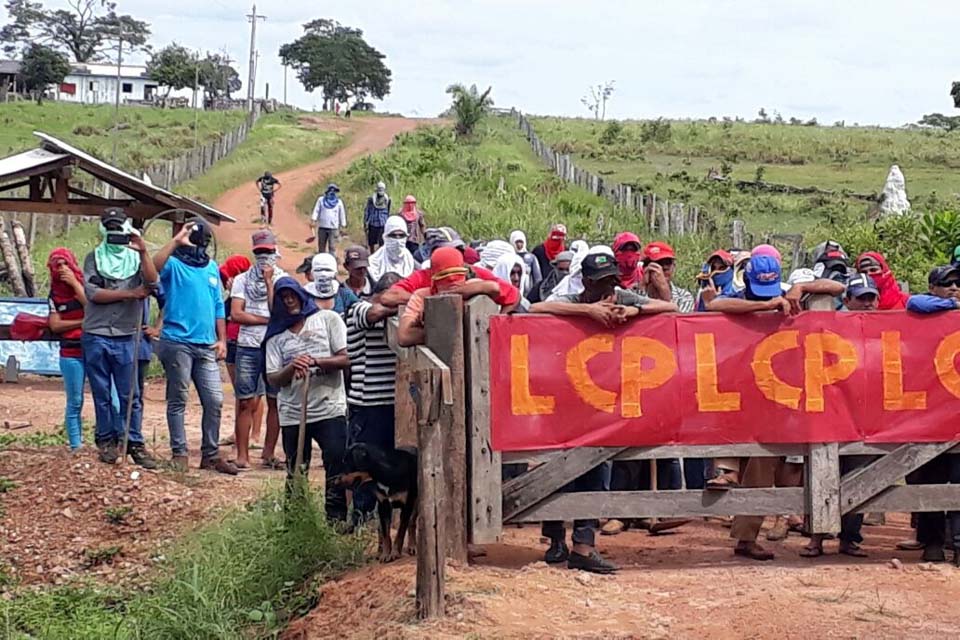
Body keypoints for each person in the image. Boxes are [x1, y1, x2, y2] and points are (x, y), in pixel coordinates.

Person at [529, 252, 677, 573]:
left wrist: (634, 310)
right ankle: (555, 538)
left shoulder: (623, 296)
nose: (606, 292)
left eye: (610, 283)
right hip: (565, 396)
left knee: (599, 467)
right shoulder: (572, 298)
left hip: (605, 399)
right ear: (585, 284)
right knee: (558, 468)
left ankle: (584, 544)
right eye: (599, 285)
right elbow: (535, 308)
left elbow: (671, 307)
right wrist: (586, 311)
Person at [706, 252, 843, 560]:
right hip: (737, 391)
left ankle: (746, 536)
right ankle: (725, 475)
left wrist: (801, 288)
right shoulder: (739, 295)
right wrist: (765, 305)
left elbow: (837, 289)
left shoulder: (787, 292)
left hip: (778, 394)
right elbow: (715, 305)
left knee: (763, 466)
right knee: (731, 450)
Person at [801, 274, 881, 558]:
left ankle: (850, 538)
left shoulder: (885, 329)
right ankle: (817, 538)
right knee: (820, 472)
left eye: (872, 298)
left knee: (860, 473)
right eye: (862, 298)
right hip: (827, 409)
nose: (867, 304)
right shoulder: (827, 324)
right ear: (846, 300)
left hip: (866, 414)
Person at [264, 277, 349, 523]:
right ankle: (296, 521)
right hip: (293, 412)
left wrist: (316, 362)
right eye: (283, 297)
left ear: (301, 295)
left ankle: (336, 519)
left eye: (292, 295)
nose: (289, 300)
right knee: (296, 467)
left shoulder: (328, 319)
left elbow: (346, 359)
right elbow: (273, 378)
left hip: (329, 408)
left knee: (335, 462)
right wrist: (291, 368)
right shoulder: (276, 337)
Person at [153, 221, 233, 475]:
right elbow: (153, 270)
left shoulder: (210, 267)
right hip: (177, 341)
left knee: (215, 400)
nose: (197, 248)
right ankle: (180, 452)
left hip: (206, 344)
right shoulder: (173, 265)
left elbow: (218, 305)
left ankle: (210, 453)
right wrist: (176, 241)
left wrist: (222, 339)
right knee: (178, 399)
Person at [81, 209, 159, 468]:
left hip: (128, 335)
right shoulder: (94, 258)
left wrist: (143, 251)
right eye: (110, 229)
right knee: (102, 392)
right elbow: (93, 293)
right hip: (97, 333)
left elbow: (152, 282)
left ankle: (134, 442)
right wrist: (130, 294)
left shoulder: (135, 259)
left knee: (131, 395)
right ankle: (106, 440)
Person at [904, 265, 960, 563]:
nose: (953, 287)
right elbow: (914, 303)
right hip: (932, 411)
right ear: (933, 287)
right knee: (932, 477)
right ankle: (932, 542)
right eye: (946, 283)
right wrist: (954, 305)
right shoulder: (928, 308)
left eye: (957, 284)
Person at [345, 272, 402, 527]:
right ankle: (361, 521)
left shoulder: (397, 315)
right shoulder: (359, 307)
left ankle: (385, 521)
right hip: (367, 404)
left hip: (393, 403)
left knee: (389, 465)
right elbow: (373, 316)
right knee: (366, 464)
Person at [231, 230, 286, 471]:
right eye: (260, 252)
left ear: (275, 252)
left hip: (274, 347)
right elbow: (236, 313)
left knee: (275, 400)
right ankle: (243, 454)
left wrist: (269, 282)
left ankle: (268, 452)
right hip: (248, 346)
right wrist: (266, 321)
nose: (264, 256)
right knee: (245, 400)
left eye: (268, 252)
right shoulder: (242, 280)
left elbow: (279, 312)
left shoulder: (283, 280)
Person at [398, 247, 515, 347]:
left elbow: (495, 288)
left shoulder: (473, 287)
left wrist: (498, 325)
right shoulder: (421, 296)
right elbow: (404, 337)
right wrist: (444, 332)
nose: (452, 280)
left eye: (457, 274)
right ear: (433, 277)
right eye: (444, 276)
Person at [382, 227, 520, 311]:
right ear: (433, 255)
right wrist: (430, 300)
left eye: (458, 250)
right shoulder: (423, 276)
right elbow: (389, 296)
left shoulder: (474, 272)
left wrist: (494, 325)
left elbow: (513, 295)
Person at [47, 248, 90, 451]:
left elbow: (91, 307)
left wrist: (74, 283)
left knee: (111, 398)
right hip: (70, 353)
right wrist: (82, 322)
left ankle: (111, 441)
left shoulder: (84, 284)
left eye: (65, 264)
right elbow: (55, 325)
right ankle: (76, 446)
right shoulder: (54, 295)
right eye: (57, 265)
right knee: (75, 400)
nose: (62, 269)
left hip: (93, 350)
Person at [219, 255, 262, 447]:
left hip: (248, 342)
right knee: (241, 392)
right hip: (232, 341)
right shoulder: (231, 295)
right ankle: (239, 432)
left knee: (255, 392)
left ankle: (255, 434)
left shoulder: (250, 290)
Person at [642, 241, 695, 313]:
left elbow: (679, 321)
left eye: (667, 263)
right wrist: (642, 289)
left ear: (674, 267)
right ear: (645, 267)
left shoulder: (684, 297)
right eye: (658, 263)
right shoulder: (631, 293)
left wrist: (664, 290)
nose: (664, 268)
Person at [367, 215, 416, 282]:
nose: (398, 240)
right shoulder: (373, 265)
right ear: (385, 237)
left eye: (401, 235)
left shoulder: (411, 264)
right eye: (393, 235)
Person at [311, 183, 346, 255]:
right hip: (322, 227)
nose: (332, 192)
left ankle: (332, 261)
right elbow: (316, 210)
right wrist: (313, 220)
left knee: (332, 247)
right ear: (327, 191)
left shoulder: (339, 202)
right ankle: (321, 261)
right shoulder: (321, 200)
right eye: (330, 190)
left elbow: (342, 214)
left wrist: (343, 225)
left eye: (334, 191)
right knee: (321, 246)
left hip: (333, 228)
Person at [510, 230, 543, 296]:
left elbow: (538, 278)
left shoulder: (531, 257)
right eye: (517, 242)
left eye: (521, 242)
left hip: (528, 292)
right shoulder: (508, 257)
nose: (519, 245)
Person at [364, 181, 391, 252]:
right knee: (371, 242)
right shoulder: (371, 199)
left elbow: (388, 211)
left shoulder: (387, 199)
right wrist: (365, 221)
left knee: (382, 242)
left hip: (382, 223)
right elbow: (367, 210)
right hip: (373, 222)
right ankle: (372, 254)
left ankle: (381, 254)